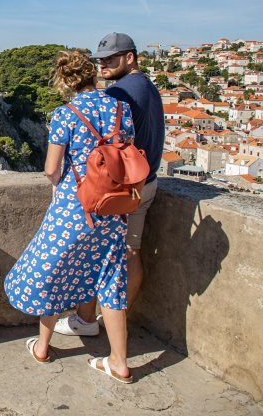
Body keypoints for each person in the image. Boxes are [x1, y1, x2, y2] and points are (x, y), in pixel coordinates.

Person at [3, 50, 135, 383]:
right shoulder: (122, 108)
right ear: (93, 74)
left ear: (65, 81)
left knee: (52, 270)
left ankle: (43, 347)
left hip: (74, 209)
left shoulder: (65, 114)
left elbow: (51, 169)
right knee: (111, 278)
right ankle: (119, 362)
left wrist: (60, 182)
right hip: (114, 208)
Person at [55, 33, 164, 337]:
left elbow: (101, 148)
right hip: (145, 181)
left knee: (113, 254)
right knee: (127, 251)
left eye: (111, 59)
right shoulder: (148, 87)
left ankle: (98, 322)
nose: (103, 65)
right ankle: (97, 319)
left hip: (121, 188)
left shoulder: (119, 95)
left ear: (130, 58)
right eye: (100, 60)